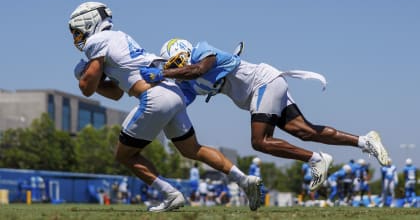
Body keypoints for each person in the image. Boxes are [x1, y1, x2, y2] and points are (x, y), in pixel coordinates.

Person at [69, 2, 262, 212]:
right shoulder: (118, 38)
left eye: (78, 32)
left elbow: (87, 89)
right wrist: (93, 81)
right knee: (192, 149)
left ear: (89, 22)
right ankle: (244, 180)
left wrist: (82, 76)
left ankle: (171, 195)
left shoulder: (97, 41)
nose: (78, 38)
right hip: (173, 92)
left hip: (154, 97)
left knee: (124, 155)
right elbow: (115, 93)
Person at [139, 38, 390, 191]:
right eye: (170, 66)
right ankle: (365, 141)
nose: (173, 68)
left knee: (260, 141)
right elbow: (178, 100)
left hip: (263, 83)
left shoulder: (203, 51)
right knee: (303, 130)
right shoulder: (187, 81)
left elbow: (197, 69)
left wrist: (165, 74)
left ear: (184, 53)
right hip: (266, 87)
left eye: (174, 63)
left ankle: (316, 159)